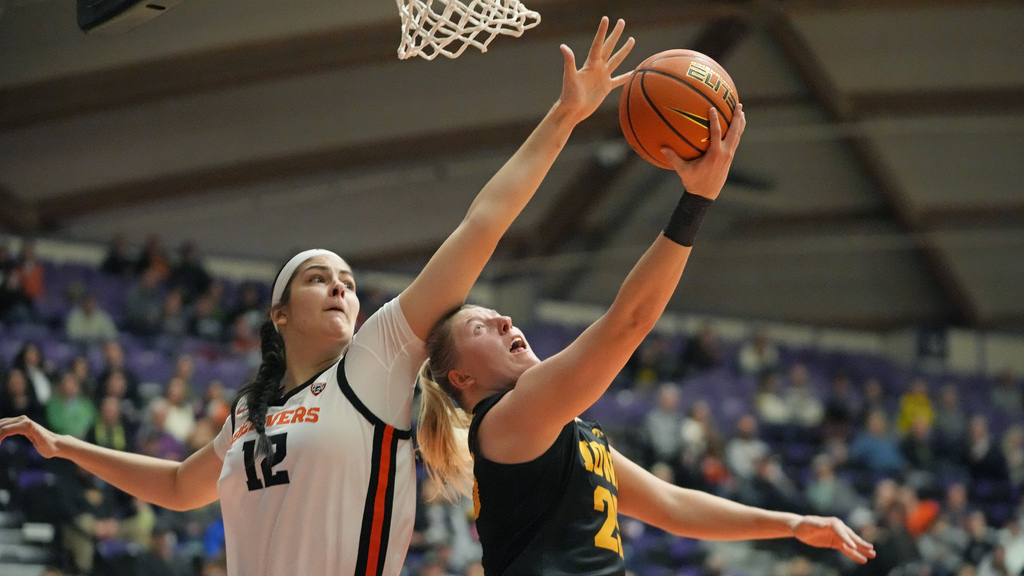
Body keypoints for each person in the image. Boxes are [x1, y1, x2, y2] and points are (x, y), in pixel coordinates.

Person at [0, 16, 636, 576]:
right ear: (279, 315)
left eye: (350, 283)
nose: (340, 286)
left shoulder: (377, 360)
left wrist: (564, 117)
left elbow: (483, 224)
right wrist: (63, 446)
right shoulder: (248, 414)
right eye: (318, 278)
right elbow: (174, 485)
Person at [415, 85, 875, 573]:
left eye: (495, 314)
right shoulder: (509, 420)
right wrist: (696, 200)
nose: (502, 319)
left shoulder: (555, 429)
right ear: (461, 378)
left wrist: (791, 523)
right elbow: (629, 323)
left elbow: (672, 506)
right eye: (479, 328)